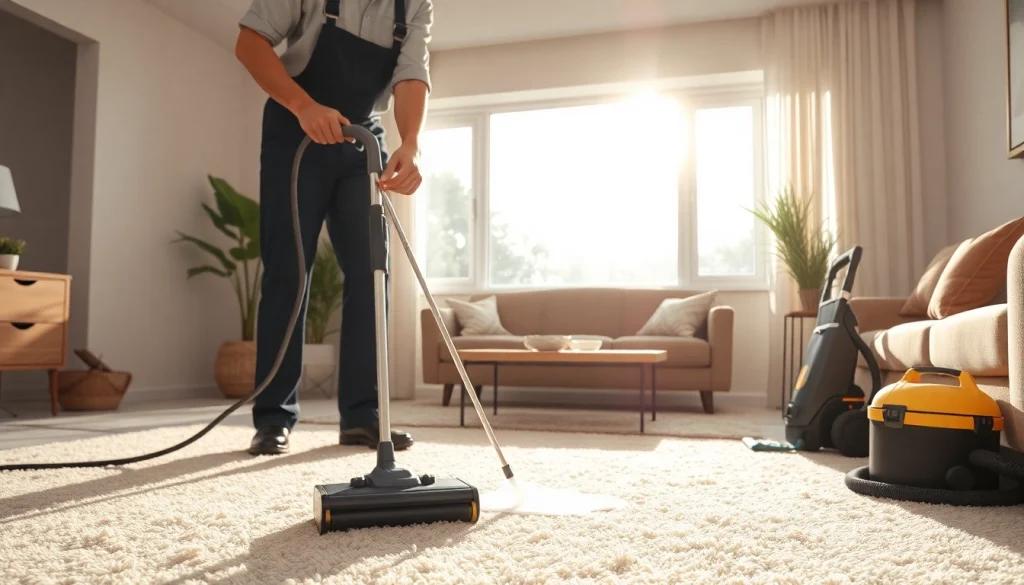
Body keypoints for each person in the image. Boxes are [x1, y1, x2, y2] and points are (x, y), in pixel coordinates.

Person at [234, 0, 432, 455]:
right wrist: (303, 105)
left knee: (371, 273)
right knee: (289, 272)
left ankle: (363, 415)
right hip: (294, 129)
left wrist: (412, 143)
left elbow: (411, 73)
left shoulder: (416, 4)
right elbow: (250, 43)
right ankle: (273, 417)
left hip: (361, 138)